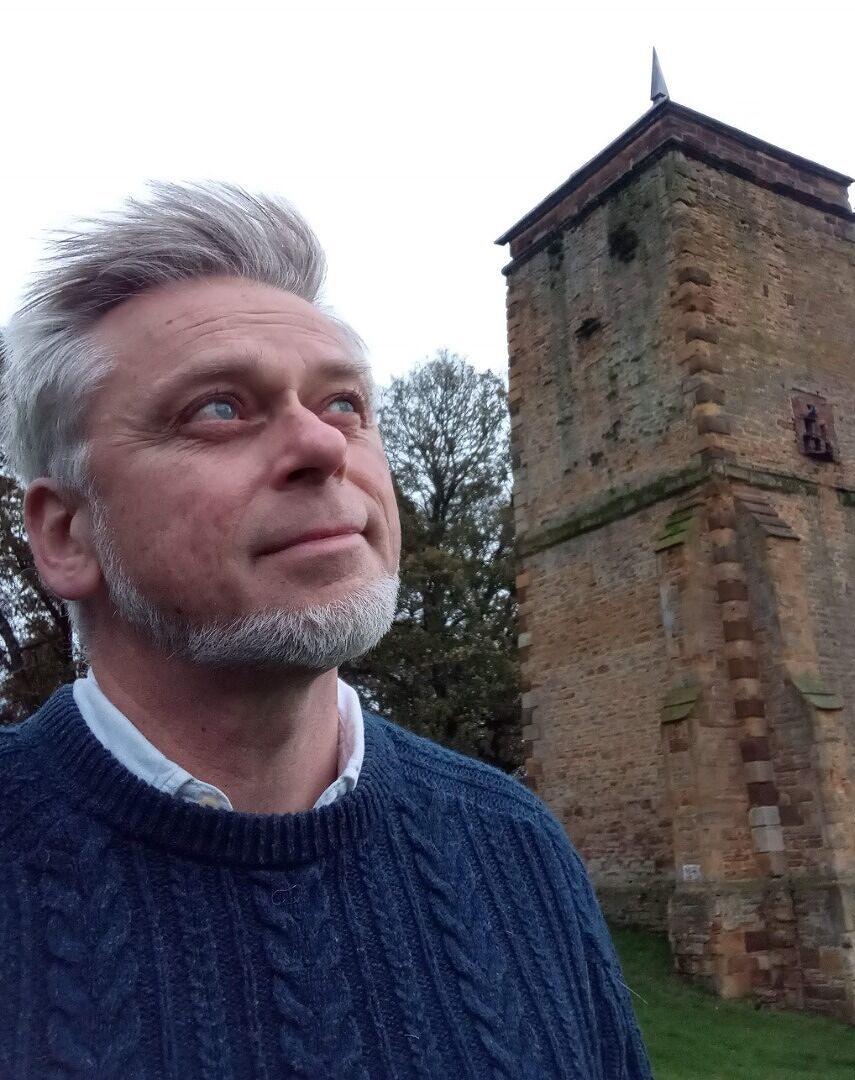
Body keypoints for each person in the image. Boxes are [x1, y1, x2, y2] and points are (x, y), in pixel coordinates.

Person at [0, 184, 653, 1079]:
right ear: (67, 535)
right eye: (219, 409)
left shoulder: (517, 846)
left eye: (343, 403)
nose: (323, 446)